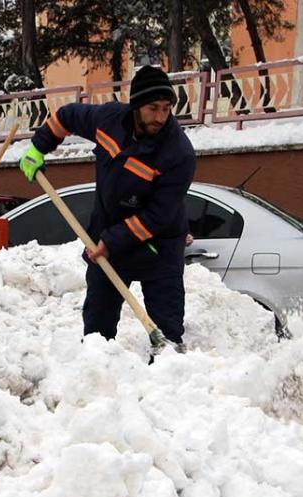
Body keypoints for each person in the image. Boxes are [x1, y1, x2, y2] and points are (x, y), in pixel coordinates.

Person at [20, 65, 196, 349]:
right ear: (137, 104)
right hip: (107, 237)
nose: (160, 117)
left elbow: (158, 216)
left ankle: (165, 378)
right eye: (153, 108)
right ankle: (98, 374)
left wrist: (112, 240)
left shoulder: (178, 153)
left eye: (166, 109)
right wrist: (38, 148)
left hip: (158, 246)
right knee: (97, 329)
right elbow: (66, 116)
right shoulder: (109, 119)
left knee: (168, 331)